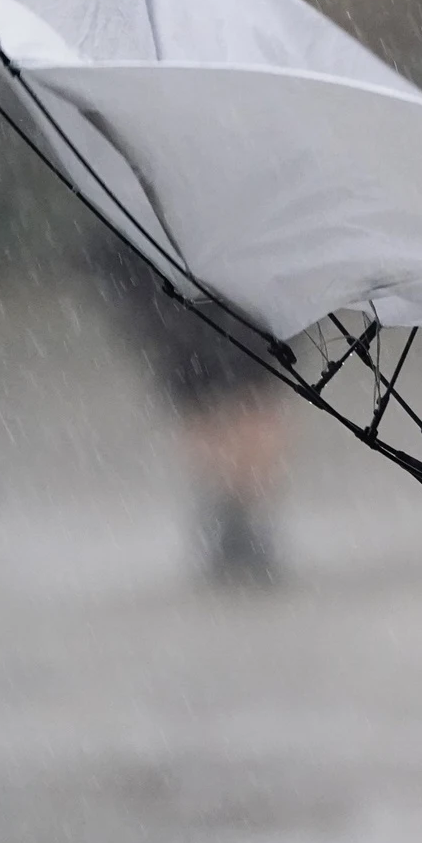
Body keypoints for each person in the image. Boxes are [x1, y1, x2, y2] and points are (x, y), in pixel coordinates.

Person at [91, 234, 290, 586]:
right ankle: (234, 510)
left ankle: (233, 509)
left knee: (221, 384)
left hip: (178, 253)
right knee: (230, 383)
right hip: (219, 253)